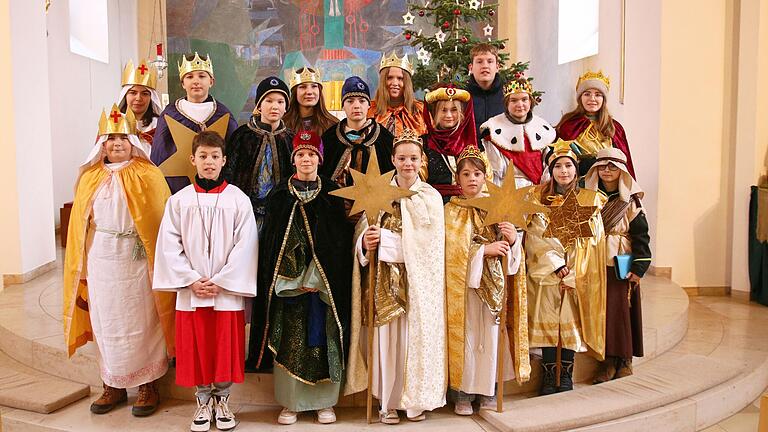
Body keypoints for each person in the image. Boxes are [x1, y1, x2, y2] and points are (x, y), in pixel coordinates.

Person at [63, 105, 174, 417]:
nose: (116, 144)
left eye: (122, 139)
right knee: (106, 319)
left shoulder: (149, 174)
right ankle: (111, 383)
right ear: (101, 145)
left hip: (138, 260)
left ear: (133, 142)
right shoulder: (89, 178)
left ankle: (147, 385)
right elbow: (79, 227)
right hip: (102, 259)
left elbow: (162, 219)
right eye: (110, 140)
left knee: (142, 318)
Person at [153, 130, 258, 432]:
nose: (209, 162)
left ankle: (222, 400)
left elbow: (246, 244)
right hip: (192, 290)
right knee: (196, 345)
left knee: (224, 344)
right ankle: (202, 401)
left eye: (214, 156)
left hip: (225, 291)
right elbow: (169, 244)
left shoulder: (238, 200)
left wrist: (223, 280)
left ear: (224, 160)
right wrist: (189, 279)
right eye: (203, 156)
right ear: (193, 159)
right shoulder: (179, 201)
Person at [345, 129, 447, 424]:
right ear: (393, 159)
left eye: (413, 158)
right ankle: (387, 402)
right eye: (401, 158)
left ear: (421, 160)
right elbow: (361, 231)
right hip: (383, 284)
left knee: (412, 339)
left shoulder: (430, 197)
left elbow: (429, 245)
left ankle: (414, 399)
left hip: (417, 284)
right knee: (386, 341)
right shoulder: (377, 192)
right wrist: (366, 241)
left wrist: (389, 242)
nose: (407, 164)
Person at [252, 130, 353, 425]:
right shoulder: (280, 197)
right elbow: (271, 244)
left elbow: (337, 245)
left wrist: (317, 277)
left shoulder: (333, 195)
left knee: (324, 342)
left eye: (312, 154)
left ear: (320, 160)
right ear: (293, 159)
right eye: (301, 155)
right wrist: (294, 278)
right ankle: (291, 403)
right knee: (289, 341)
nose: (306, 159)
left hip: (323, 290)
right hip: (289, 288)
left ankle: (325, 403)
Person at [444, 145, 529, 415]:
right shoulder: (451, 211)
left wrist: (512, 240)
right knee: (467, 337)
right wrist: (482, 251)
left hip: (494, 287)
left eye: (477, 173)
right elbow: (450, 252)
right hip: (465, 288)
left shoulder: (500, 208)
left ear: (486, 176)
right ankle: (463, 392)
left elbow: (515, 258)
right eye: (466, 173)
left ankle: (488, 390)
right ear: (457, 179)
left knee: (491, 338)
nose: (472, 179)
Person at [223, 77, 295, 373]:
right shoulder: (242, 136)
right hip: (245, 217)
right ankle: (233, 350)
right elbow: (229, 176)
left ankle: (266, 351)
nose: (274, 106)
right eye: (269, 100)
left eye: (280, 101)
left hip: (276, 220)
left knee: (270, 283)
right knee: (240, 283)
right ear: (259, 104)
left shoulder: (291, 140)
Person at [524, 139, 607, 395]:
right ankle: (550, 375)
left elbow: (594, 237)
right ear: (551, 170)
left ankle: (566, 373)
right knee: (550, 323)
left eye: (568, 165)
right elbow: (536, 235)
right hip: (549, 272)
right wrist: (556, 263)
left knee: (569, 323)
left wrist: (573, 266)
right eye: (558, 166)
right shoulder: (538, 199)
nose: (563, 171)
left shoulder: (591, 199)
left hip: (575, 271)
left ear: (576, 169)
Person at [584, 148, 650, 383]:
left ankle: (623, 360)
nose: (607, 171)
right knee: (603, 312)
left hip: (619, 262)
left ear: (621, 170)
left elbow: (642, 235)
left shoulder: (631, 200)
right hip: (593, 260)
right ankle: (608, 360)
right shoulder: (589, 197)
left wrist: (639, 268)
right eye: (602, 166)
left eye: (613, 166)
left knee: (621, 311)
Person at [151, 52, 239, 194]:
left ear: (211, 81)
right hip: (178, 188)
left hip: (216, 189)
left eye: (202, 76)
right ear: (182, 83)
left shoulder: (223, 114)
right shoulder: (170, 114)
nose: (196, 81)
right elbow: (159, 154)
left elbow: (234, 155)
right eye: (190, 77)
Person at [479, 74, 555, 187]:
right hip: (506, 189)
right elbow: (494, 170)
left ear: (530, 101)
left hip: (538, 189)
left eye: (524, 99)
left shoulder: (543, 128)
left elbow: (548, 166)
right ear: (506, 104)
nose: (520, 105)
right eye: (513, 100)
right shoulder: (492, 130)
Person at [556, 70, 636, 177]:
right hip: (578, 183)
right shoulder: (568, 125)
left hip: (608, 183)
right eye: (587, 94)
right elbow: (559, 158)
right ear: (580, 98)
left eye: (598, 95)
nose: (592, 99)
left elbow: (624, 163)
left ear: (603, 99)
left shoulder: (614, 127)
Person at [320, 76, 395, 190]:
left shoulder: (384, 138)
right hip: (336, 204)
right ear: (343, 106)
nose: (356, 106)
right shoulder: (330, 138)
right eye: (350, 101)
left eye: (362, 101)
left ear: (369, 105)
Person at [421, 85, 478, 202]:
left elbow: (485, 179)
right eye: (443, 110)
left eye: (454, 110)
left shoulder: (470, 141)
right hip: (435, 206)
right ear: (435, 113)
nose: (449, 115)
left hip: (470, 206)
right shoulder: (425, 143)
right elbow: (418, 180)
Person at [369, 52, 426, 136]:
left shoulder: (420, 111)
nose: (395, 83)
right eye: (389, 78)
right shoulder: (370, 111)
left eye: (400, 78)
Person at [283, 66, 338, 136]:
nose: (309, 92)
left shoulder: (333, 125)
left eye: (314, 86)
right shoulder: (282, 125)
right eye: (303, 87)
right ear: (295, 92)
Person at [118, 59, 162, 145]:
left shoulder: (159, 125)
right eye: (133, 93)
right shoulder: (115, 123)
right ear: (125, 95)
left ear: (151, 97)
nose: (138, 98)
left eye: (145, 94)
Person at [466, 43, 505, 138]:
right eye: (479, 62)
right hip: (471, 151)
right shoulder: (463, 97)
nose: (485, 66)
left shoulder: (508, 96)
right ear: (471, 68)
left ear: (497, 67)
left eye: (490, 61)